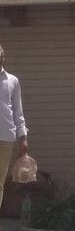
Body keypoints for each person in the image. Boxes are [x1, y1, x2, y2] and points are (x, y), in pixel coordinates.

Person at [0, 44, 28, 213]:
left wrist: (23, 137)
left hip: (6, 137)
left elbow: (18, 111)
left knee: (0, 181)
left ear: (4, 57)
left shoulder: (12, 81)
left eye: (1, 56)